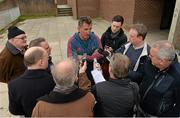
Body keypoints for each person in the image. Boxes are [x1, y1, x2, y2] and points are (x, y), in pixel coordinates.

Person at [136, 40, 180, 116]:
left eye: (152, 56)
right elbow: (140, 76)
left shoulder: (177, 76)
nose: (149, 56)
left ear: (161, 61)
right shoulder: (149, 62)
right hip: (139, 109)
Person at [8, 47, 55, 117]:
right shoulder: (53, 80)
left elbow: (14, 110)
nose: (48, 61)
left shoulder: (13, 85)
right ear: (41, 62)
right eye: (47, 58)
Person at [67, 16, 102, 84]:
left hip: (93, 68)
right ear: (78, 29)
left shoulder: (96, 38)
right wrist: (92, 55)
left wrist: (83, 57)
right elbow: (72, 58)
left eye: (90, 29)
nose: (88, 32)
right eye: (86, 29)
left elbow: (100, 54)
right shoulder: (72, 41)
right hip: (80, 70)